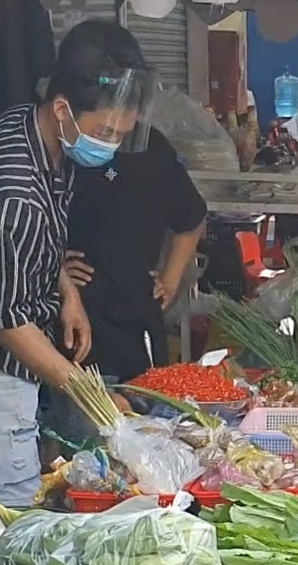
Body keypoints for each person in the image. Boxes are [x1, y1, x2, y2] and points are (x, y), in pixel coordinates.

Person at [0, 19, 150, 506]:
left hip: (1, 318)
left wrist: (67, 293)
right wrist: (81, 390)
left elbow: (36, 239)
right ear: (62, 109)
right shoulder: (13, 188)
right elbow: (1, 318)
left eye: (123, 133)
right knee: (12, 506)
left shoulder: (37, 129)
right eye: (104, 131)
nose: (113, 145)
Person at [52, 128, 210, 445]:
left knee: (151, 449)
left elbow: (191, 219)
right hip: (80, 328)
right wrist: (57, 270)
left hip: (141, 327)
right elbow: (23, 226)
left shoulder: (152, 147)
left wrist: (169, 279)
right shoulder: (66, 144)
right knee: (88, 452)